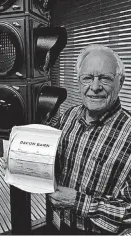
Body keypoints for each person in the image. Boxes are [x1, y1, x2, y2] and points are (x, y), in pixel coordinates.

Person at [48, 44, 131, 235]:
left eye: (105, 78)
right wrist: (19, 159)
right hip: (59, 223)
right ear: (78, 82)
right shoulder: (68, 116)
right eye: (87, 78)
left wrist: (79, 202)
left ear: (121, 81)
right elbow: (51, 156)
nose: (94, 87)